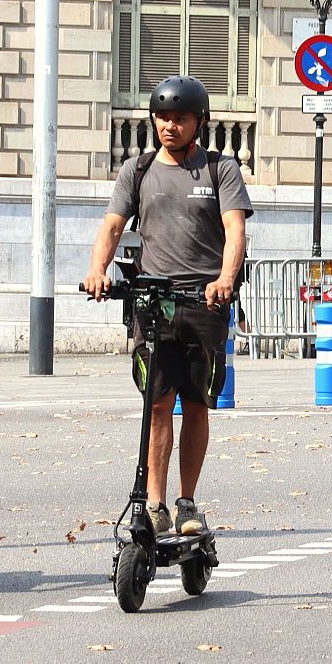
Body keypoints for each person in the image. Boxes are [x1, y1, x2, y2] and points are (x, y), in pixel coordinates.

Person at [82, 75, 252, 536]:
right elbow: (112, 227)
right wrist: (98, 270)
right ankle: (154, 504)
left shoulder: (220, 170)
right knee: (157, 404)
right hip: (154, 302)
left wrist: (225, 280)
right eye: (162, 117)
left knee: (196, 404)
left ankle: (187, 502)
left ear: (199, 122)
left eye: (179, 118)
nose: (169, 126)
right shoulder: (136, 171)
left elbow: (235, 230)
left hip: (204, 301)